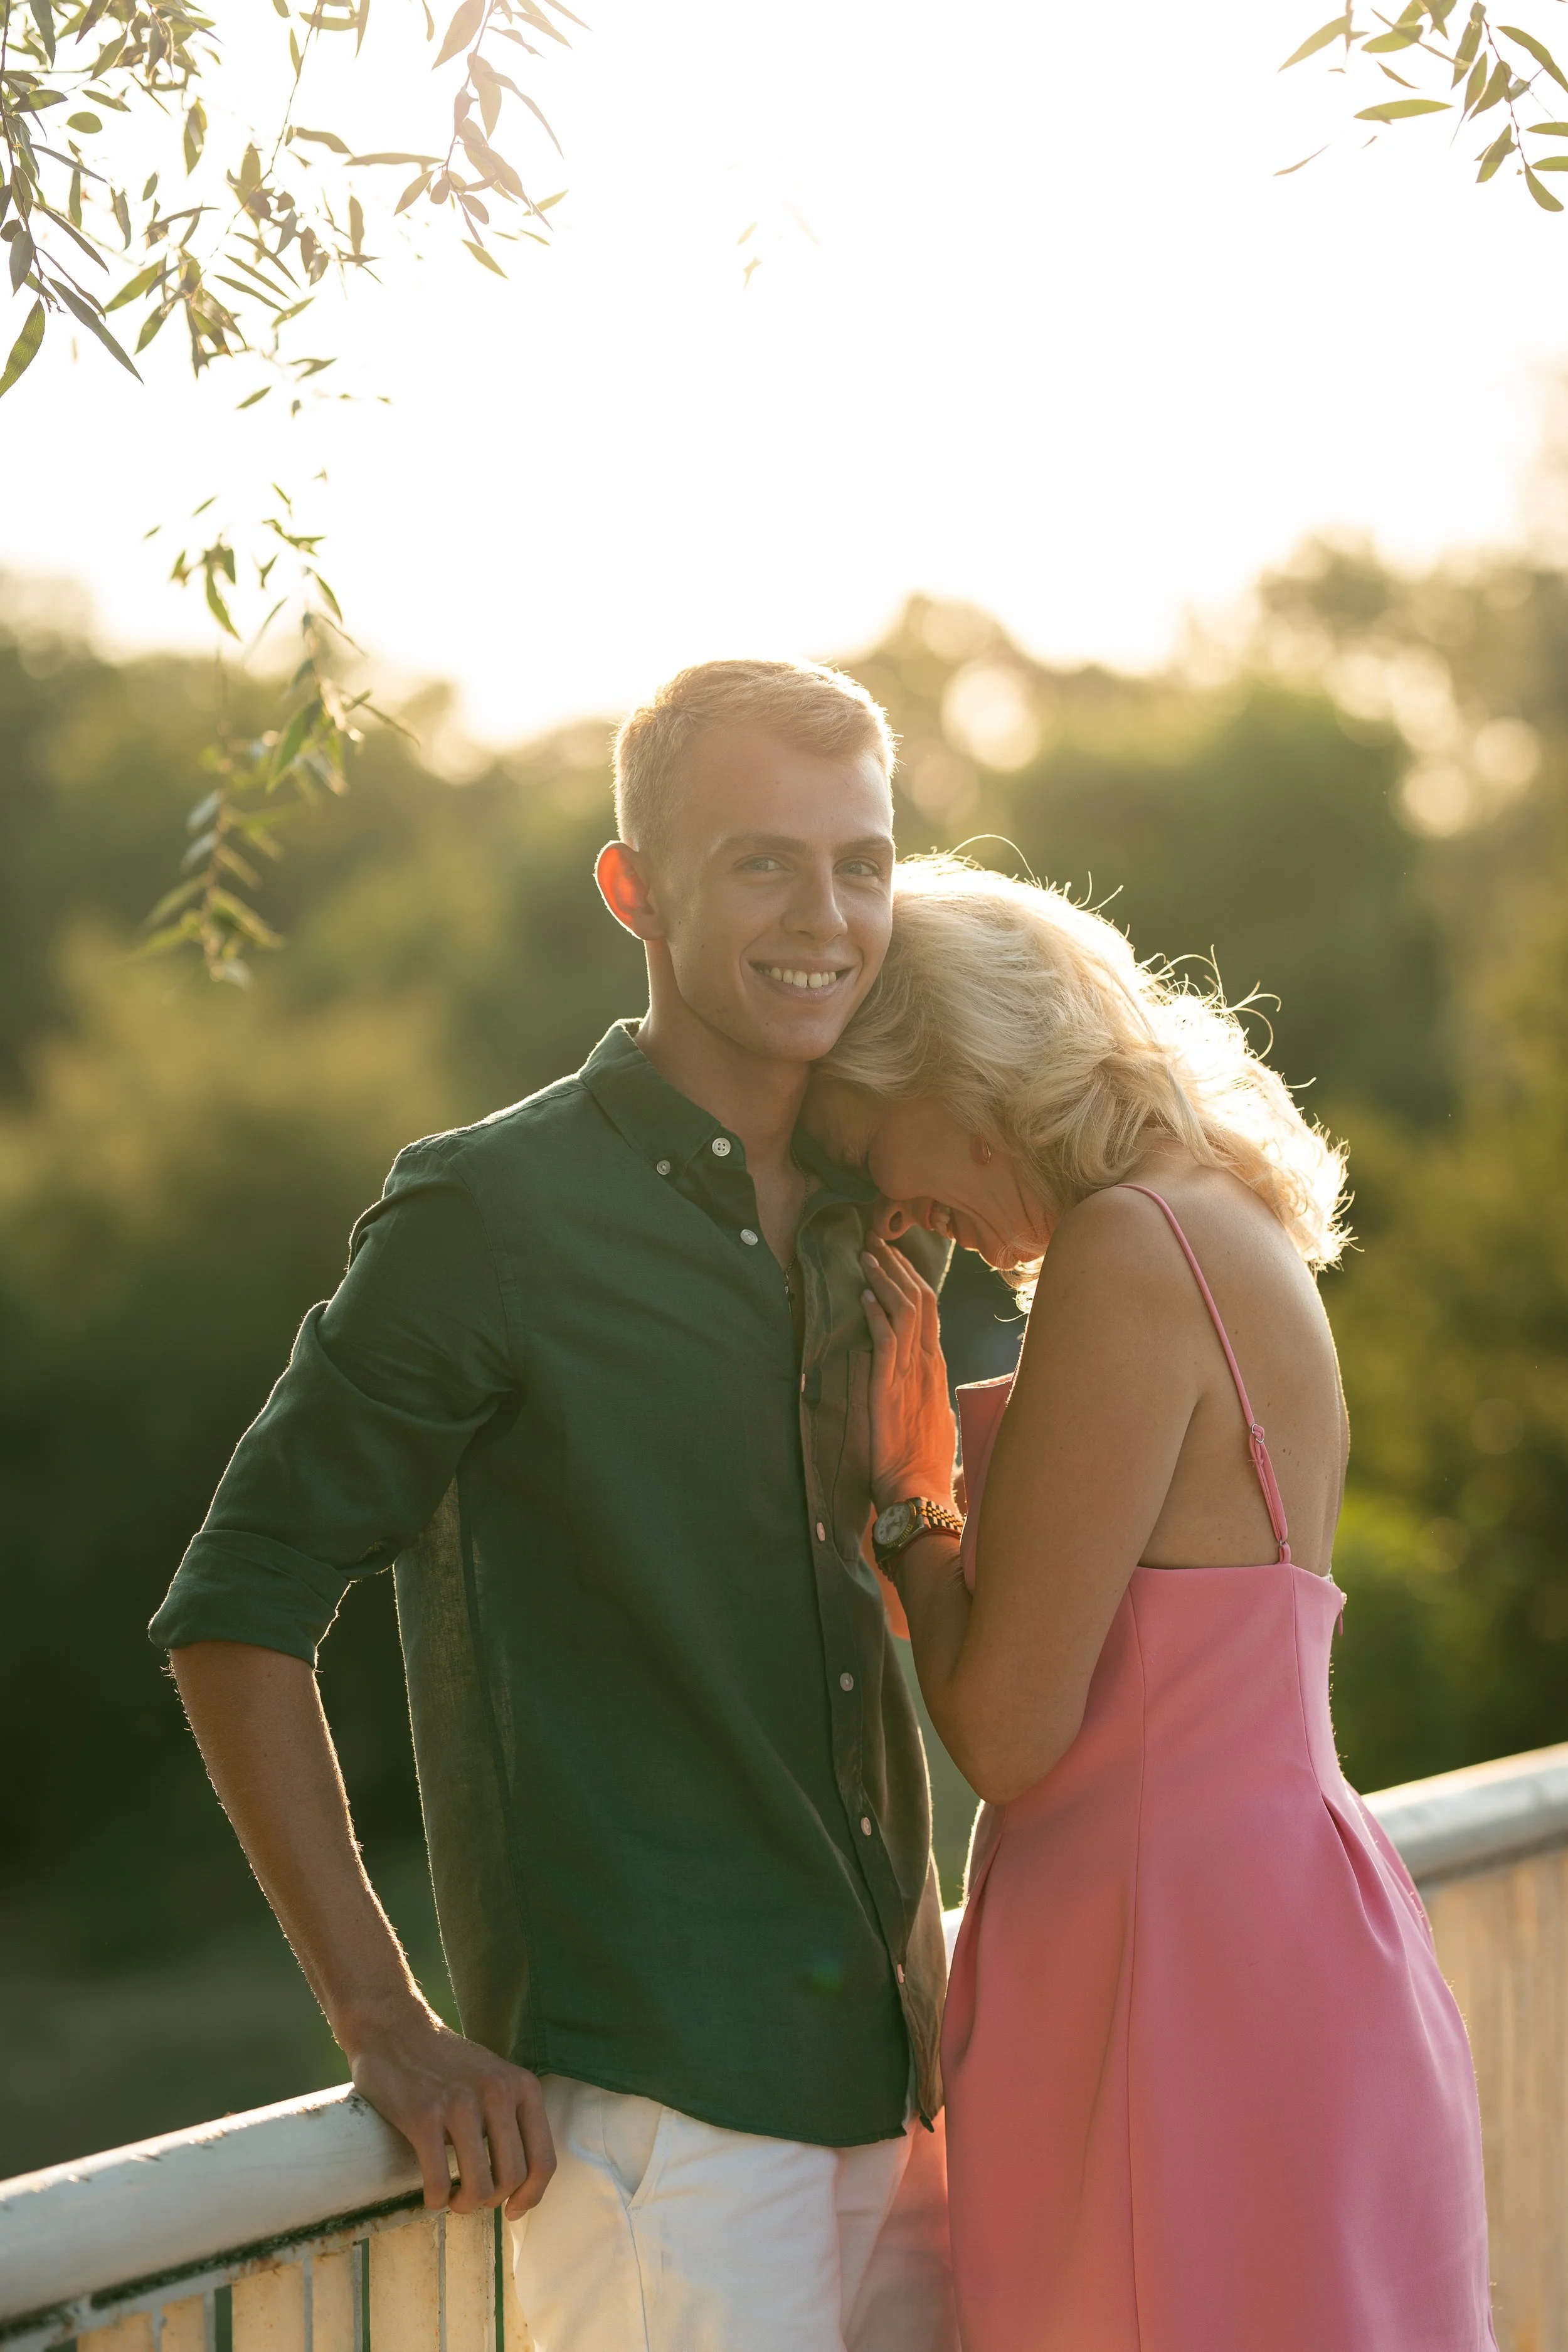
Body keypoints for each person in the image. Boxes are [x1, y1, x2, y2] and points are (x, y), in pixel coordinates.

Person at [148, 660, 958, 2352]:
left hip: (918, 2068)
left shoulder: (898, 1203)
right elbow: (240, 1603)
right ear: (631, 888)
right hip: (663, 2115)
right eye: (760, 861)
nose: (825, 914)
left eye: (862, 862)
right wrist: (387, 2020)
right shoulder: (488, 1214)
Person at [808, 854, 1498, 2352]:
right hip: (1268, 1926)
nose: (898, 1210)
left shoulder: (1134, 1244)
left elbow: (1003, 1727)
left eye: (882, 1150)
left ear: (964, 1063)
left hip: (1169, 1973)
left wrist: (907, 1483)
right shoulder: (1221, 1218)